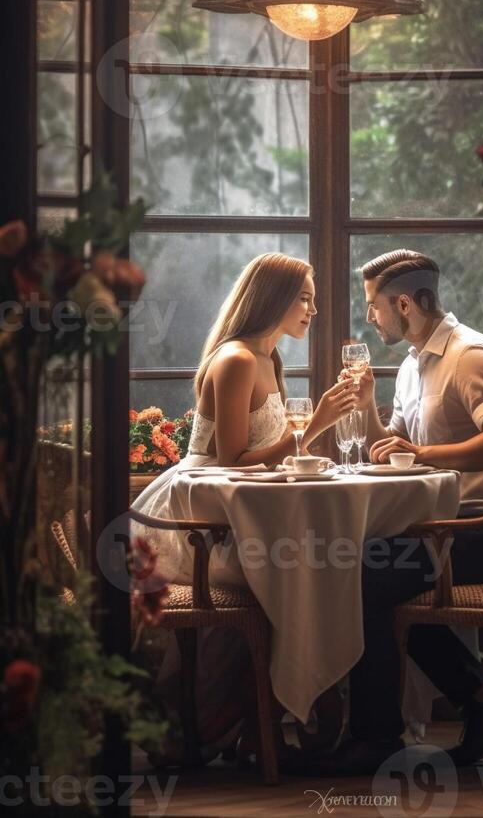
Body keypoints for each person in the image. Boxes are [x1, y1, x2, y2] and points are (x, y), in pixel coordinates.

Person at [131, 252, 356, 762]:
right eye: (304, 298)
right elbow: (231, 459)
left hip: (231, 519)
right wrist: (313, 426)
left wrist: (309, 437)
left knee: (311, 568)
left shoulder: (267, 359)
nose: (312, 309)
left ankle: (273, 723)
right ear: (271, 299)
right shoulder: (235, 360)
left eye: (313, 299)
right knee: (302, 573)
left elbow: (260, 460)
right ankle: (272, 723)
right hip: (197, 527)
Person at [318, 249, 483, 775]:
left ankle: (376, 738)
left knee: (364, 575)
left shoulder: (471, 355)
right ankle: (482, 698)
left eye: (373, 306)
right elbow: (397, 446)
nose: (369, 316)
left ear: (403, 303)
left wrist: (426, 455)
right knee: (360, 569)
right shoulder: (411, 363)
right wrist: (367, 405)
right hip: (436, 530)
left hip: (480, 531)